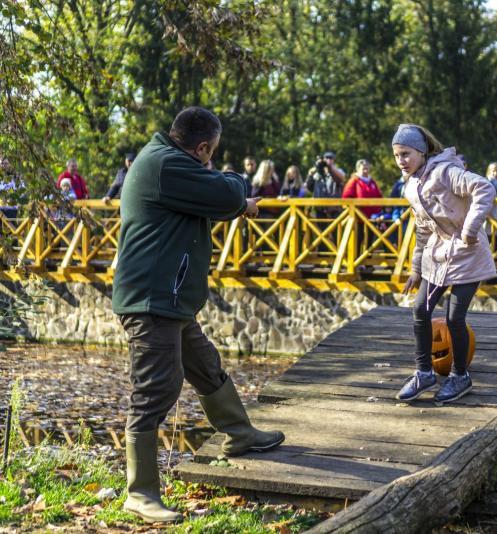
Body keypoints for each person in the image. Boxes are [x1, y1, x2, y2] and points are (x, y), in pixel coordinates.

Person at [111, 106, 284, 524]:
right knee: (155, 388)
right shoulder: (166, 166)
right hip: (152, 300)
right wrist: (238, 193)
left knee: (204, 365)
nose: (212, 159)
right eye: (212, 153)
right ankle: (140, 492)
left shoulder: (166, 163)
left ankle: (239, 434)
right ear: (203, 147)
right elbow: (225, 193)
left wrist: (232, 199)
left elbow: (216, 200)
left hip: (168, 298)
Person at [392, 124, 496, 404]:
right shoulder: (411, 185)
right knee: (420, 309)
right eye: (397, 155)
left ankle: (459, 375)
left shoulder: (445, 172)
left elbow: (484, 188)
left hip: (467, 253)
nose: (401, 160)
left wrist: (471, 229)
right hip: (437, 256)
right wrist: (415, 268)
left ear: (422, 151)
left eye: (406, 154)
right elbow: (423, 228)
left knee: (453, 318)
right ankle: (424, 371)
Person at [305, 151, 344, 220]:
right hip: (319, 210)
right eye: (326, 158)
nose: (328, 160)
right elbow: (309, 188)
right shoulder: (317, 173)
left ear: (334, 160)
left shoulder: (339, 171)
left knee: (335, 230)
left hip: (334, 210)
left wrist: (330, 167)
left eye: (331, 158)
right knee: (319, 230)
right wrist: (312, 173)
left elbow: (340, 179)